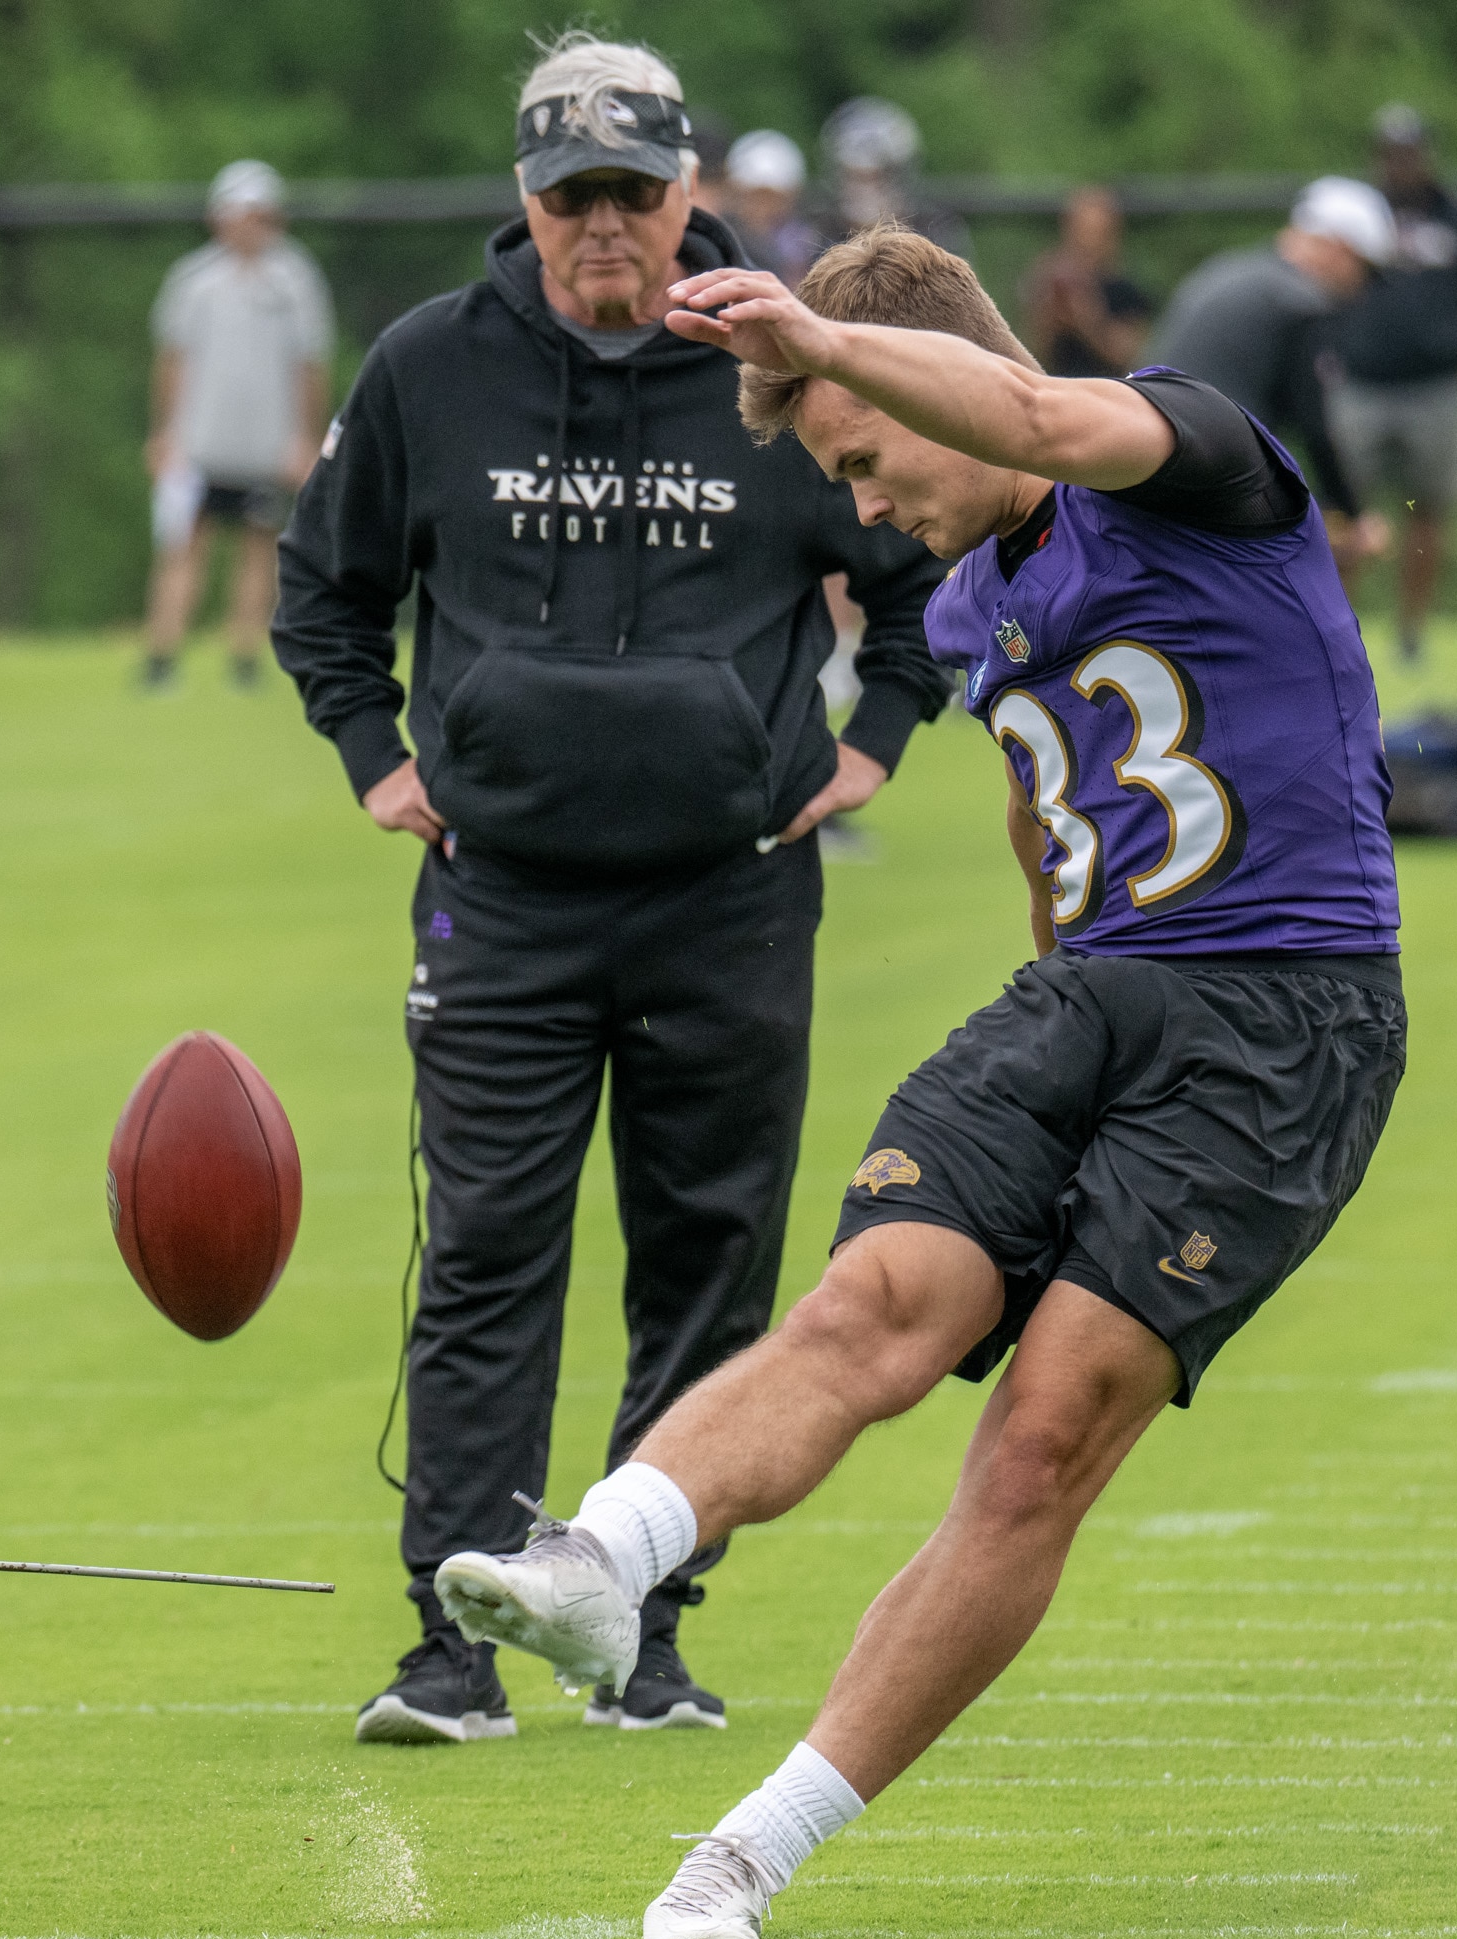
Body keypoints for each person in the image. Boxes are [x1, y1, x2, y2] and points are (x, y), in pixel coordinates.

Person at [428, 225, 1406, 1939]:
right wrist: (1046, 1012)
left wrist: (824, 331)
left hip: (1281, 1016)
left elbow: (1041, 414)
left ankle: (747, 1846)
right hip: (1089, 994)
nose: (863, 509)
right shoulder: (964, 602)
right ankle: (603, 1557)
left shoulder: (1193, 464)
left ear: (908, 374)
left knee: (1037, 1439)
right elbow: (1049, 816)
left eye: (862, 459)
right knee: (870, 1301)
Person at [273, 34, 951, 1749]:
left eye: (635, 200)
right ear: (527, 201)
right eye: (573, 200)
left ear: (687, 198)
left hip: (729, 891)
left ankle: (642, 1620)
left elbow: (928, 555)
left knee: (707, 1261)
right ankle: (453, 1638)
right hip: (502, 893)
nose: (605, 235)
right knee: (490, 1253)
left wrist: (871, 739)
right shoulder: (434, 366)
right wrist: (379, 756)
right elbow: (324, 590)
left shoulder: (788, 360)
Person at [1324, 105, 1457, 661]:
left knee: (1427, 513)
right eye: (1391, 154)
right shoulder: (1362, 215)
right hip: (1362, 384)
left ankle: (1411, 633)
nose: (1401, 165)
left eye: (1410, 153)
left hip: (1437, 388)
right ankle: (1338, 629)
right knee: (1341, 511)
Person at [139, 161, 333, 693]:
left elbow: (309, 366)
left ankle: (244, 656)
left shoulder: (296, 281)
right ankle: (162, 655)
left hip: (265, 448)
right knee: (184, 546)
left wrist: (307, 439)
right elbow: (173, 361)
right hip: (198, 446)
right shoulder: (192, 281)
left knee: (259, 549)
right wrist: (164, 433)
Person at [1149, 176, 1391, 570]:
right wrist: (1352, 514)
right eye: (1364, 269)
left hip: (1152, 458)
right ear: (1338, 249)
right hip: (1205, 474)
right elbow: (1315, 426)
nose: (1361, 288)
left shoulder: (1231, 272)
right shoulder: (1301, 300)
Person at [1017, 184, 1153, 379]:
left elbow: (1127, 357)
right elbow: (1033, 354)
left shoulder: (1126, 291)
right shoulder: (1049, 283)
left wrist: (1087, 319)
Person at [820, 98, 968, 256]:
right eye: (855, 178)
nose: (866, 192)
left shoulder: (934, 227)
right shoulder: (822, 231)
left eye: (876, 179)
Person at [721, 130, 822, 281]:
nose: (761, 207)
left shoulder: (809, 248)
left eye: (771, 198)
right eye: (753, 196)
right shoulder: (721, 245)